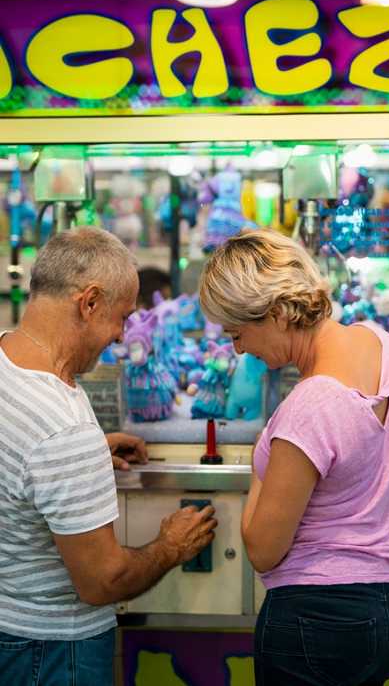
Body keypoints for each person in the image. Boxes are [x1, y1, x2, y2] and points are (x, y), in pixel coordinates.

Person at [199, 228, 389, 686]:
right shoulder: (382, 344)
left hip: (318, 617)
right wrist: (349, 468)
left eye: (238, 333)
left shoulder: (309, 407)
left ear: (276, 314)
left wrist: (266, 459)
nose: (239, 350)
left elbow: (263, 550)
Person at [0, 226, 216, 686]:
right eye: (121, 317)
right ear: (89, 302)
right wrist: (172, 546)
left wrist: (89, 457)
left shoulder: (7, 360)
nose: (120, 336)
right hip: (55, 653)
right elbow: (104, 581)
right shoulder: (61, 428)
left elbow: (18, 460)